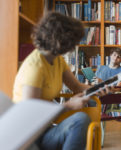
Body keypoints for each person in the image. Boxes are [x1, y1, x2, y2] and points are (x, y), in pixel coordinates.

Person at [13, 12, 111, 150]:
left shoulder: (57, 60)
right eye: (73, 41)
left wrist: (97, 88)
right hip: (27, 137)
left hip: (44, 130)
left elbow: (76, 86)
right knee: (79, 120)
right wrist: (69, 105)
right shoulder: (34, 67)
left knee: (81, 119)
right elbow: (31, 116)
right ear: (61, 40)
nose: (74, 46)